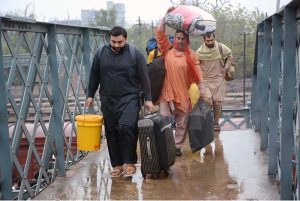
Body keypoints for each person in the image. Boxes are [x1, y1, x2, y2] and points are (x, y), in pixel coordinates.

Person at [86, 26, 154, 177]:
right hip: (108, 99)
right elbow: (94, 75)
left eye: (120, 42)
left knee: (127, 127)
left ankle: (129, 163)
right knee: (111, 131)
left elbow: (145, 78)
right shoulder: (100, 53)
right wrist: (90, 94)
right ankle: (117, 165)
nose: (116, 45)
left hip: (129, 98)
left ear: (126, 39)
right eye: (113, 42)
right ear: (109, 39)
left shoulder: (134, 54)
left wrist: (148, 99)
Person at [155, 15, 205, 157]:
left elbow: (198, 73)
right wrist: (164, 18)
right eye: (178, 38)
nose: (180, 41)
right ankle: (165, 145)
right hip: (166, 93)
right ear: (174, 39)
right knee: (164, 120)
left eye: (183, 39)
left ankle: (177, 147)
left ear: (188, 40)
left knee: (182, 122)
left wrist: (202, 89)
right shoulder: (167, 50)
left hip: (183, 93)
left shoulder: (192, 55)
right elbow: (160, 34)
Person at [196, 32, 234, 153]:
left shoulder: (221, 48)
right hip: (205, 80)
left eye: (212, 40)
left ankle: (215, 123)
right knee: (207, 101)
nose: (210, 42)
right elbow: (195, 66)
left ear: (214, 38)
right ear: (204, 40)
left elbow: (230, 57)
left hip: (218, 78)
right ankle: (207, 123)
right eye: (208, 41)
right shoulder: (199, 52)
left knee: (217, 102)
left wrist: (226, 68)